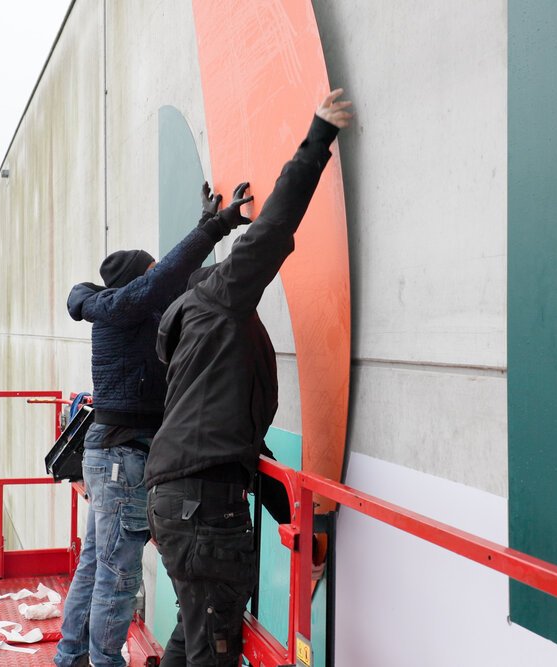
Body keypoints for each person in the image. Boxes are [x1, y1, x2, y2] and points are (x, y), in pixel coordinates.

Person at [145, 89, 353, 667]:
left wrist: (292, 519)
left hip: (175, 504)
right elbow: (272, 228)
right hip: (205, 511)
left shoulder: (196, 341)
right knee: (214, 649)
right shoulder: (221, 301)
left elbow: (234, 442)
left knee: (192, 638)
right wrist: (318, 138)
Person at [54, 181, 254, 667]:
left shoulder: (123, 310)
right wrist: (216, 226)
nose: (159, 283)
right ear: (136, 284)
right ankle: (103, 661)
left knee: (95, 564)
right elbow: (165, 279)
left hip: (110, 454)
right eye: (149, 276)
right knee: (117, 577)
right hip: (125, 456)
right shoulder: (124, 309)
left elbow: (175, 276)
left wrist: (220, 234)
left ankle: (71, 654)